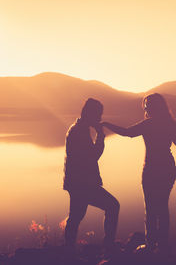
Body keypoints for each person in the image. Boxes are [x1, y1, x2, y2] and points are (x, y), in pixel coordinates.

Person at [102, 93, 176, 252]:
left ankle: (151, 244)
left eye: (148, 105)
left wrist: (107, 124)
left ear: (155, 107)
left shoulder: (150, 124)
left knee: (152, 208)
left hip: (152, 170)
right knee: (162, 207)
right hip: (168, 168)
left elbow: (127, 132)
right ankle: (162, 245)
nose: (146, 108)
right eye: (145, 106)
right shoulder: (169, 123)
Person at [63, 98, 120, 249]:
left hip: (77, 182)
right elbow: (93, 156)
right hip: (83, 184)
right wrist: (100, 135)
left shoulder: (78, 128)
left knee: (75, 217)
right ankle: (108, 247)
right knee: (113, 206)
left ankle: (69, 252)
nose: (100, 118)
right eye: (98, 114)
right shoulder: (79, 132)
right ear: (90, 113)